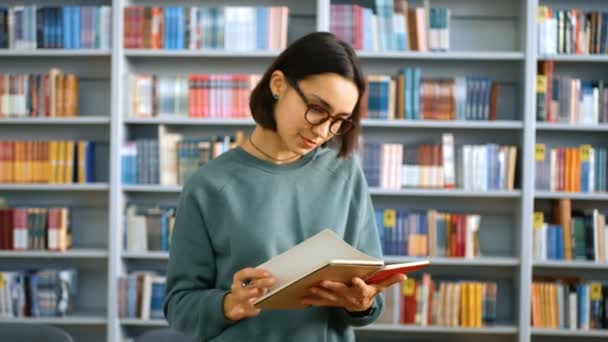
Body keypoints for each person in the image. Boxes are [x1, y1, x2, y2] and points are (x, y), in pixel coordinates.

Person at [163, 31, 405, 342]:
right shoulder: (208, 186)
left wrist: (362, 304)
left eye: (339, 121)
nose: (323, 132)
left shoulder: (345, 175)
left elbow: (370, 297)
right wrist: (229, 304)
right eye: (317, 108)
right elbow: (179, 305)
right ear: (278, 85)